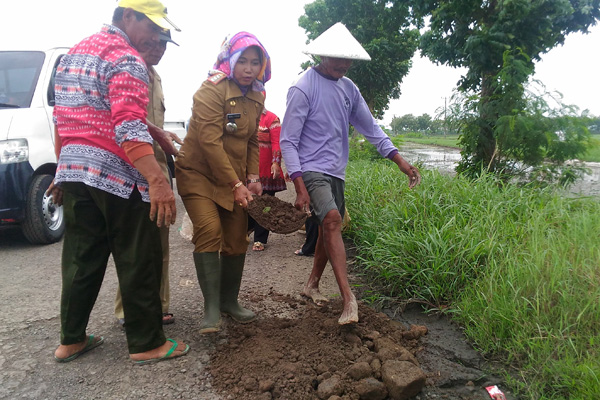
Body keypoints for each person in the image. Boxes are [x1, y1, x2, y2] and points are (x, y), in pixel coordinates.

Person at [49, 0, 189, 364]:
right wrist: (157, 180)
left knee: (81, 259)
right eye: (154, 29)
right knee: (139, 255)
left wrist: (61, 170)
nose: (156, 39)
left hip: (76, 174)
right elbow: (126, 125)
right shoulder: (126, 58)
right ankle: (146, 343)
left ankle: (71, 339)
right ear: (128, 16)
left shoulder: (76, 53)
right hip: (116, 176)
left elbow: (66, 117)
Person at [280, 23, 422, 325]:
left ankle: (312, 285)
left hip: (336, 172)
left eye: (348, 60)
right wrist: (299, 185)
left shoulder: (348, 88)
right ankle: (348, 299)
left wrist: (399, 161)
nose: (343, 64)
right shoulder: (303, 87)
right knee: (332, 220)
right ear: (321, 55)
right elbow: (288, 140)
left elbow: (371, 128)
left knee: (328, 225)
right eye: (336, 58)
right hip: (311, 169)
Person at [175, 32, 270, 334]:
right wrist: (235, 183)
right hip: (199, 174)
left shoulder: (257, 94)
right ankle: (211, 309)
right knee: (210, 230)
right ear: (229, 59)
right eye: (242, 60)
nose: (248, 68)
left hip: (233, 178)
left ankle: (229, 301)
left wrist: (253, 178)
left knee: (235, 236)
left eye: (255, 62)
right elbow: (209, 141)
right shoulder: (211, 90)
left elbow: (253, 138)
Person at [114, 29, 180, 327]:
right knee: (134, 243)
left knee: (159, 240)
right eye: (152, 42)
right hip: (132, 167)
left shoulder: (156, 76)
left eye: (163, 43)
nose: (158, 49)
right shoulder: (125, 69)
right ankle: (130, 309)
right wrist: (158, 133)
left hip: (158, 166)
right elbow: (128, 118)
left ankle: (159, 304)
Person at [248, 104, 286, 251]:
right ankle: (248, 228)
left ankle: (260, 239)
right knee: (247, 203)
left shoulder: (272, 118)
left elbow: (277, 143)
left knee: (265, 206)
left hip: (266, 171)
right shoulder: (244, 116)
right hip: (247, 171)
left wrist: (275, 163)